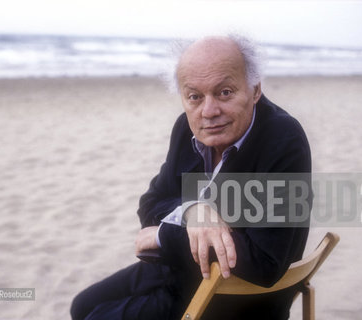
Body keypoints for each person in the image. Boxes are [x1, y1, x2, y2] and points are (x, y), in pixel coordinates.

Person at [70, 34, 311, 320]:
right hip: (179, 271)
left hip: (232, 297)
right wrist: (193, 211)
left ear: (255, 89)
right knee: (82, 306)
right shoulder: (187, 128)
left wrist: (164, 235)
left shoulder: (283, 139)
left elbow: (265, 262)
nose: (209, 112)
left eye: (224, 92)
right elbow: (150, 203)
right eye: (195, 96)